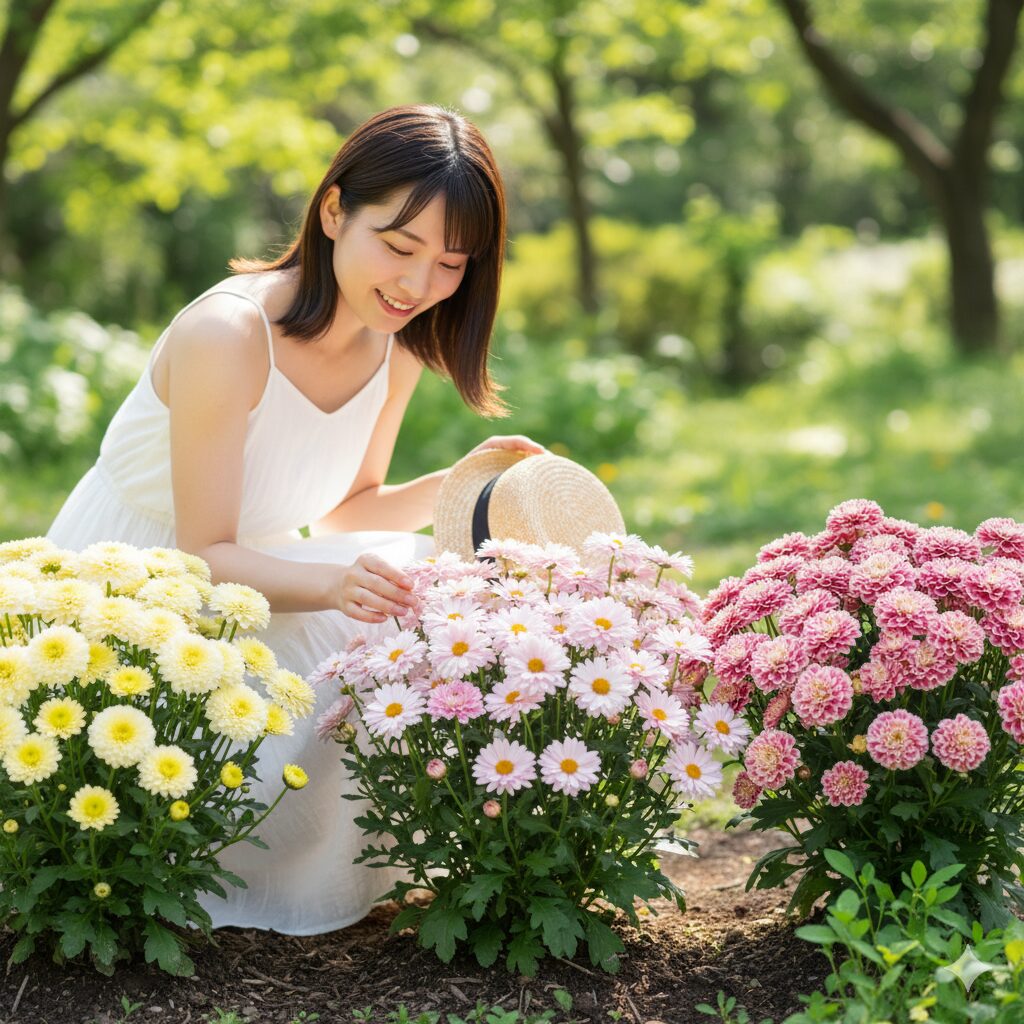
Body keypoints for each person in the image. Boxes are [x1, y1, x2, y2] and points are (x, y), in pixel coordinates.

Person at [46, 104, 544, 934]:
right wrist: (336, 586)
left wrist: (463, 482)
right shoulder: (228, 333)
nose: (418, 285)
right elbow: (202, 555)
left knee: (429, 606)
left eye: (451, 264)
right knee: (380, 628)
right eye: (399, 246)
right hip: (142, 586)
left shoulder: (397, 343)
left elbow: (348, 507)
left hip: (261, 571)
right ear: (335, 210)